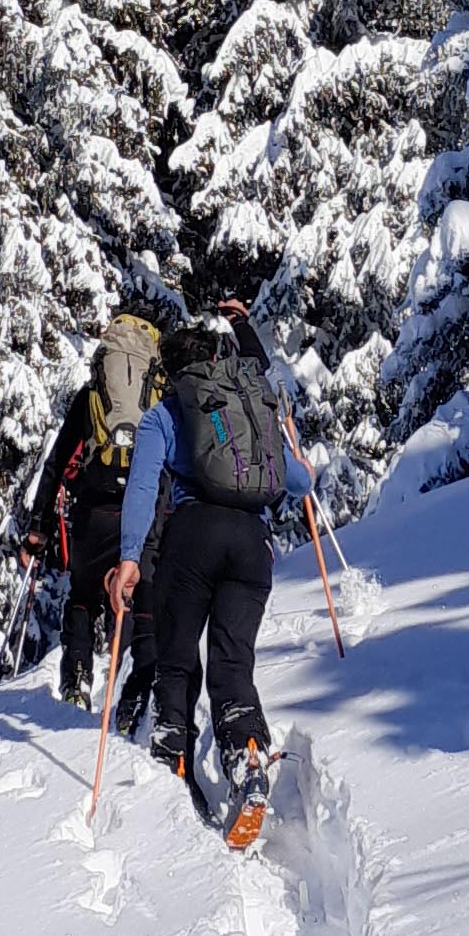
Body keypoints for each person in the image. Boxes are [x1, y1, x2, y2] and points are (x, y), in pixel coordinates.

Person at [112, 305, 312, 843]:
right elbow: (301, 482)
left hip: (192, 536)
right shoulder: (248, 408)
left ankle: (173, 751)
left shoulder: (166, 414)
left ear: (172, 372)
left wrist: (130, 558)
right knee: (232, 662)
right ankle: (247, 756)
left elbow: (141, 487)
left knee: (177, 653)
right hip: (253, 545)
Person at [17, 309, 166, 716]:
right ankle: (136, 694)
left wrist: (38, 528)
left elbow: (56, 461)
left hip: (93, 513)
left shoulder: (92, 396)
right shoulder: (157, 395)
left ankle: (77, 681)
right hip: (145, 511)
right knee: (143, 595)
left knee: (83, 595)